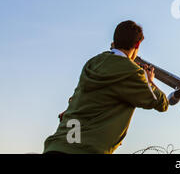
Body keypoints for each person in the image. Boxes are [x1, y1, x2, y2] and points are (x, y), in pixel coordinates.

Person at [43, 20, 168, 154]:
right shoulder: (131, 73)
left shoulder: (93, 63)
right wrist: (149, 80)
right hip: (86, 150)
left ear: (115, 40)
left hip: (57, 146)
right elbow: (162, 103)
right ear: (137, 44)